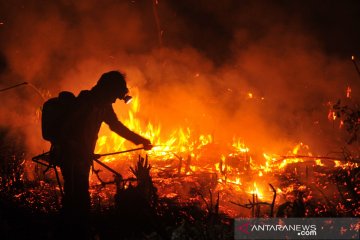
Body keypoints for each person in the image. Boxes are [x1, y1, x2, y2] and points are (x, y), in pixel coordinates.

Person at [57, 70, 152, 238]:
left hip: (83, 156)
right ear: (107, 89)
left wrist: (140, 140)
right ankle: (72, 231)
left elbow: (116, 126)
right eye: (115, 94)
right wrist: (77, 149)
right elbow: (67, 131)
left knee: (78, 195)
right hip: (71, 156)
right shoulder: (85, 102)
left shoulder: (104, 106)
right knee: (77, 196)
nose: (116, 99)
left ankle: (74, 229)